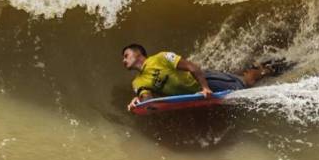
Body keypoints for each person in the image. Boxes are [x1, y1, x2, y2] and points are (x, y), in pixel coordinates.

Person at [121, 43, 285, 111]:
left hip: (206, 81)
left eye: (126, 55)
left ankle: (268, 68)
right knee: (239, 80)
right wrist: (139, 102)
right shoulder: (137, 82)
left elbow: (192, 67)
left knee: (245, 83)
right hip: (194, 94)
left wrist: (205, 88)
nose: (123, 60)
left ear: (138, 53)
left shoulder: (160, 58)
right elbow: (148, 99)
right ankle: (252, 69)